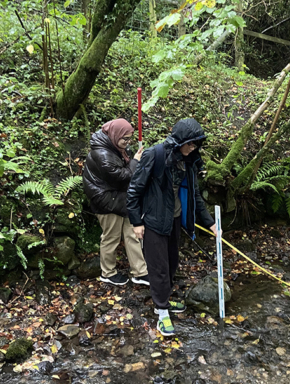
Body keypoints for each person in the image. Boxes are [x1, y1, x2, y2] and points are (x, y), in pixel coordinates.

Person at [127, 118, 216, 336]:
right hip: (153, 221)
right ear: (180, 141)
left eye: (196, 144)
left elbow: (194, 195)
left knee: (172, 262)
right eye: (190, 143)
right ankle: (162, 312)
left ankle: (164, 300)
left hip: (174, 219)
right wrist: (136, 222)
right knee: (158, 267)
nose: (193, 148)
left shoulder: (188, 161)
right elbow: (134, 190)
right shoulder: (154, 155)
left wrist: (211, 223)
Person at [83, 118, 149, 287]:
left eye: (129, 139)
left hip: (120, 197)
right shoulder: (103, 154)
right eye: (125, 139)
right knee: (111, 237)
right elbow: (122, 176)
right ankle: (108, 273)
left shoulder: (115, 147)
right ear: (115, 135)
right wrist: (135, 161)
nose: (127, 142)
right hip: (106, 201)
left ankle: (140, 272)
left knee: (132, 232)